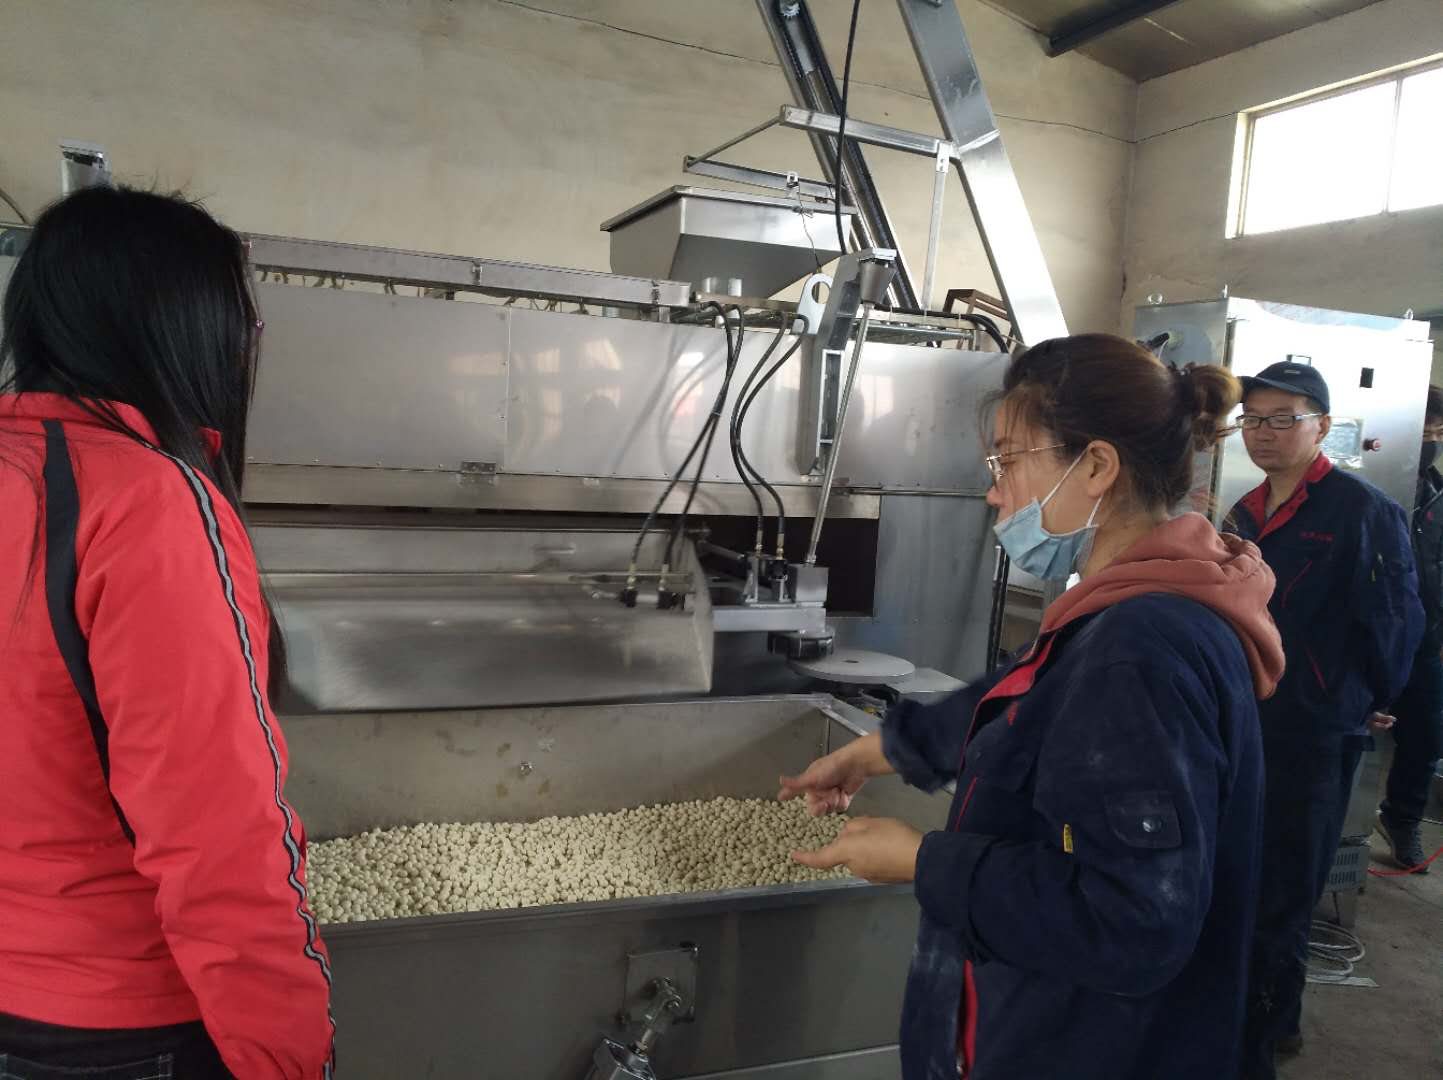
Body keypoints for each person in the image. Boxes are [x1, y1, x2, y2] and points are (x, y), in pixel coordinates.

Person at [779, 334, 1284, 1080]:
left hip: (1095, 1047)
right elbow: (1029, 695)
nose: (995, 493)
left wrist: (922, 860)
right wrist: (888, 747)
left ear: (1097, 466)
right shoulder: (1133, 604)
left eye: (1007, 462)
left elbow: (1131, 922)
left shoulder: (1142, 647)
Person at [0, 188, 334, 1078]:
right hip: (110, 1023)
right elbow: (218, 834)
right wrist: (284, 1058)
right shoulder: (146, 502)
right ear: (188, 331)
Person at [1220, 361, 1423, 1078]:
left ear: (1322, 427)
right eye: (1252, 419)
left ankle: (1272, 1026)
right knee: (1237, 871)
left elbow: (1395, 618)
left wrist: (1367, 700)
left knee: (1286, 881)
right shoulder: (1243, 512)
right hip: (1245, 717)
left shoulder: (1361, 511)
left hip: (1313, 728)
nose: (1263, 433)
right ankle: (1231, 1008)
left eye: (1283, 419)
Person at [1375, 383, 1443, 872]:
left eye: (1439, 433)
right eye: (1425, 431)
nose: (1431, 441)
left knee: (1425, 737)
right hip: (1374, 635)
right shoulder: (1371, 490)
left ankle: (1402, 819)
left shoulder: (1438, 491)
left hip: (1426, 640)